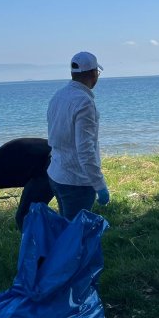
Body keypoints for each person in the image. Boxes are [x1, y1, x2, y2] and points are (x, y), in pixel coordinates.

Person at [46, 51, 110, 219]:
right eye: (97, 72)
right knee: (75, 234)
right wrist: (99, 185)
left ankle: (60, 246)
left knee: (67, 227)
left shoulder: (58, 96)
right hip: (76, 181)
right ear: (93, 74)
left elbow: (54, 135)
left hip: (56, 173)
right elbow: (85, 150)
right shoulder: (84, 103)